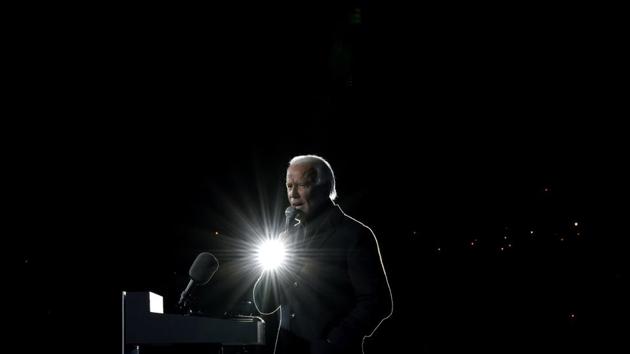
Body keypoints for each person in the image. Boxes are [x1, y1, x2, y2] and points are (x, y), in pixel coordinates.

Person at [253, 155, 393, 354]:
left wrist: (332, 340)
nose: (292, 194)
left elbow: (377, 302)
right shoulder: (288, 238)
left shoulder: (354, 235)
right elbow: (264, 303)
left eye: (301, 185)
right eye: (289, 185)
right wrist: (280, 261)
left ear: (325, 187)